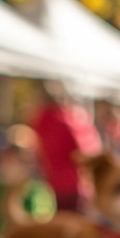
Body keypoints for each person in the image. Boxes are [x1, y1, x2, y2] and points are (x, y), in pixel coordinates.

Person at [29, 82, 102, 211]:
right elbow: (87, 152)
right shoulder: (69, 119)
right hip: (73, 183)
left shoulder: (39, 119)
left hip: (50, 182)